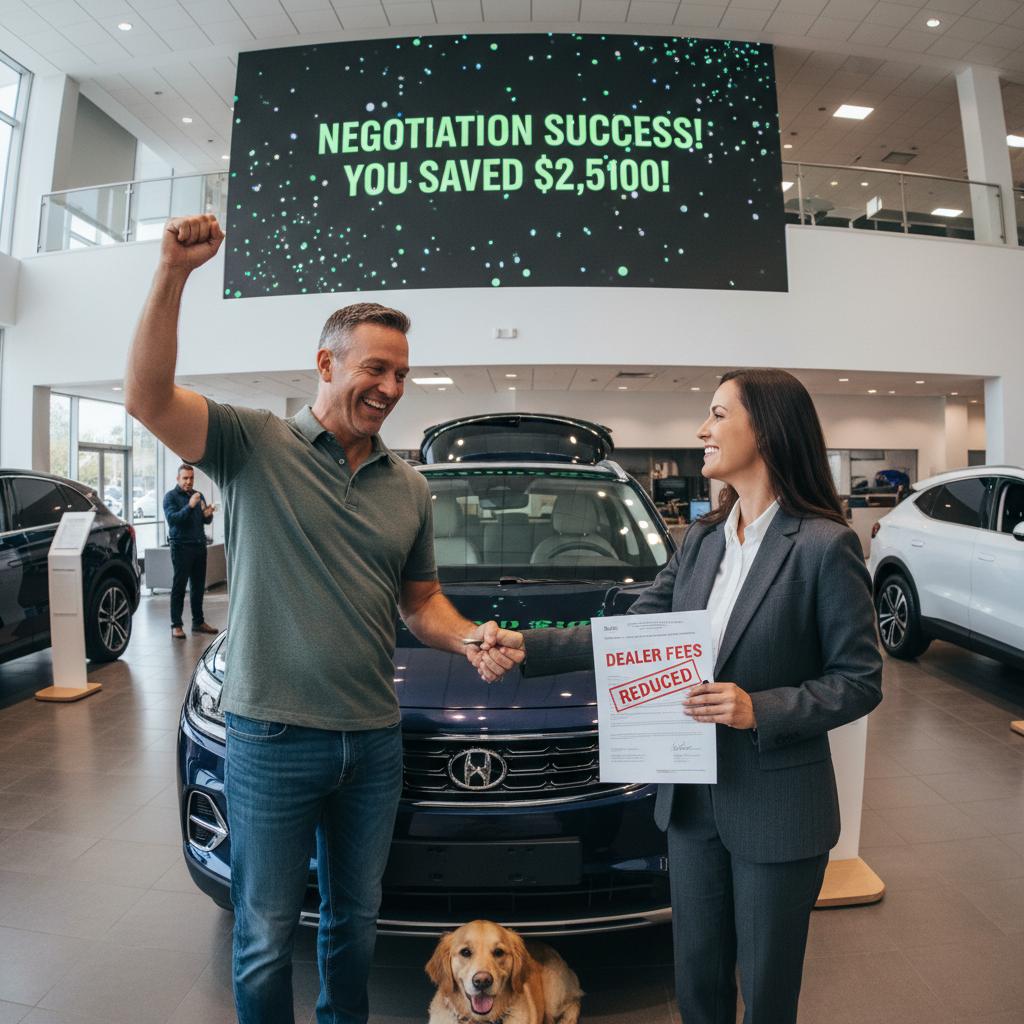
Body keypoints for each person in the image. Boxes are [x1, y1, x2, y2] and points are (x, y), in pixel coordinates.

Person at [124, 214, 524, 1024]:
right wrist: (173, 273)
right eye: (376, 368)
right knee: (265, 931)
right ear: (326, 364)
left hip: (372, 740)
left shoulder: (409, 487)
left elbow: (420, 602)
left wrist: (468, 637)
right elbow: (147, 398)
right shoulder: (252, 445)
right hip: (273, 736)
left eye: (402, 373)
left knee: (355, 922)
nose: (391, 387)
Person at [483, 368, 883, 1024]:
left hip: (777, 808)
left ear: (768, 430)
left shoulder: (822, 545)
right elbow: (633, 630)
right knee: (697, 980)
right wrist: (530, 645)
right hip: (694, 805)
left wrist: (759, 709)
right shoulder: (702, 541)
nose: (702, 430)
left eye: (718, 414)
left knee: (767, 989)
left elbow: (860, 679)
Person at [162, 462, 217, 639]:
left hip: (199, 545)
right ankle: (176, 625)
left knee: (198, 586)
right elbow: (173, 519)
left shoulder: (198, 495)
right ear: (178, 478)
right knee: (179, 586)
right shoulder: (170, 497)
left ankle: (198, 622)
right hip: (181, 546)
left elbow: (205, 521)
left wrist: (208, 513)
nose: (189, 481)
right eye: (185, 478)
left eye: (191, 478)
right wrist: (190, 506)